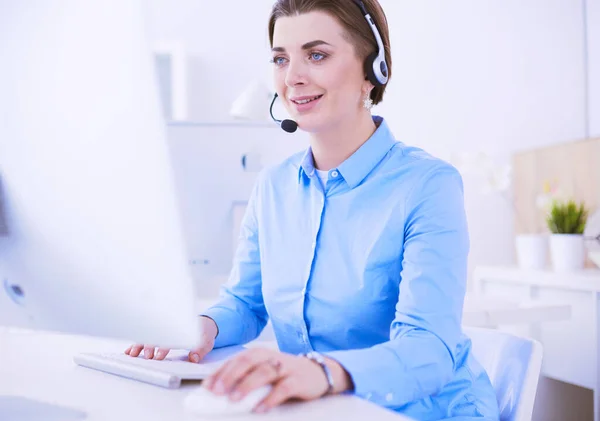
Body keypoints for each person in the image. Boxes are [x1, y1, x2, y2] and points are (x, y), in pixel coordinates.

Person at [126, 0, 501, 419]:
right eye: (280, 59)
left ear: (372, 70)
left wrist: (320, 372)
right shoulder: (273, 187)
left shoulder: (428, 186)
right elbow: (245, 304)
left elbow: (428, 350)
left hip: (427, 410)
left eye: (317, 55)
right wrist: (201, 328)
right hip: (326, 410)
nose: (293, 77)